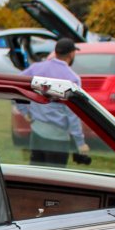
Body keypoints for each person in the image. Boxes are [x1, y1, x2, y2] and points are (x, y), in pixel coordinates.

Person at [17, 38, 91, 166]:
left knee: (36, 174)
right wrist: (80, 143)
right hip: (58, 138)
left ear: (55, 52)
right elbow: (72, 113)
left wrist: (24, 111)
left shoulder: (36, 68)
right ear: (71, 54)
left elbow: (16, 85)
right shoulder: (72, 79)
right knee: (55, 175)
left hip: (37, 132)